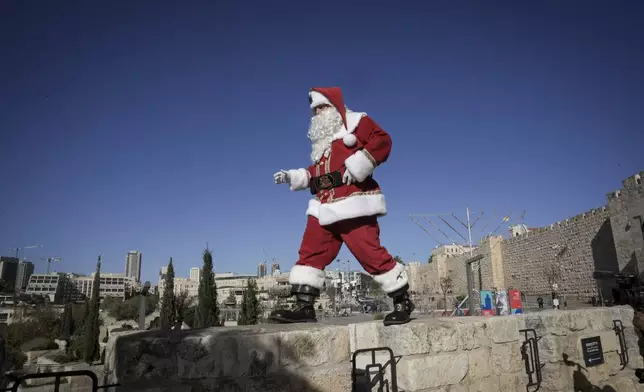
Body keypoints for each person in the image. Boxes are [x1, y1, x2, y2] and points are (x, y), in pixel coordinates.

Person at [269, 87, 414, 326]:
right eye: (315, 110)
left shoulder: (358, 122)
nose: (318, 113)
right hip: (323, 205)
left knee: (367, 251)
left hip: (353, 203)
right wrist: (293, 176)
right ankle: (304, 306)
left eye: (322, 107)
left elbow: (382, 141)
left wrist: (360, 162)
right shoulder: (322, 144)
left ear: (335, 107)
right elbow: (316, 173)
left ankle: (402, 300)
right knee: (310, 252)